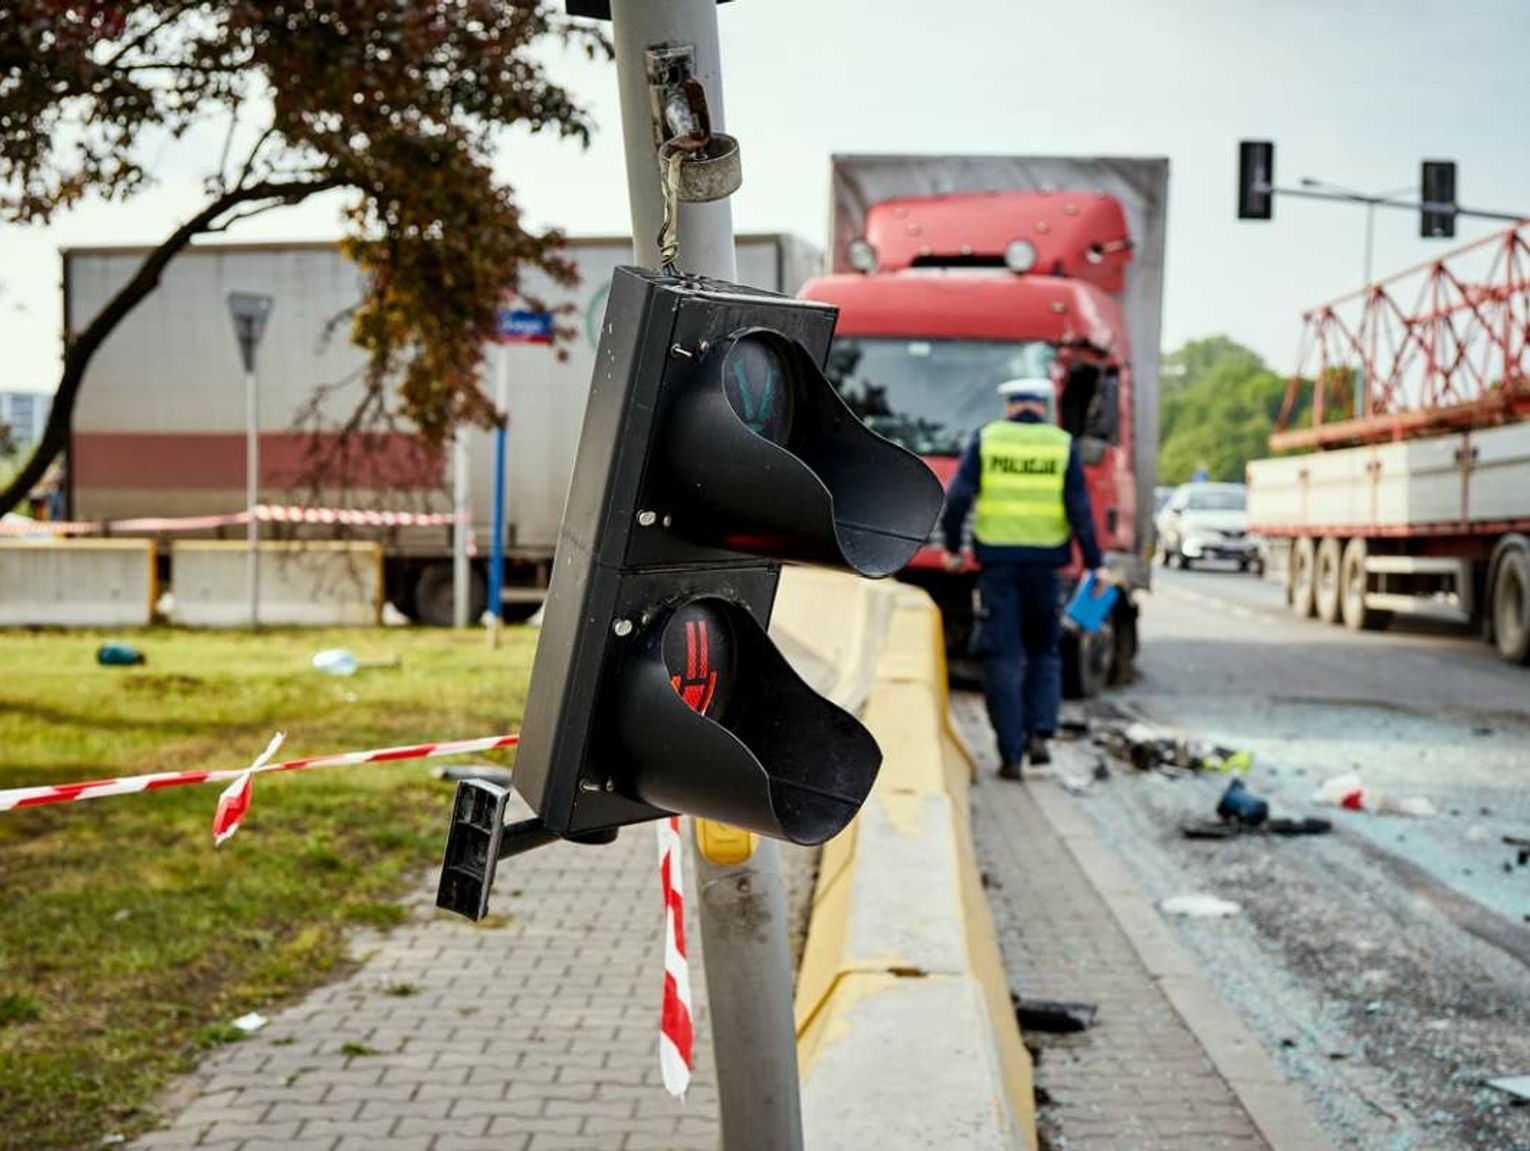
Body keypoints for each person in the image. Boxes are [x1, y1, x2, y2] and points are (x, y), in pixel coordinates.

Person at [940, 376, 1106, 781]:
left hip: (998, 569)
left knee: (1004, 659)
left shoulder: (988, 439)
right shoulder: (1060, 444)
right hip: (1046, 569)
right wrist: (1095, 563)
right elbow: (1079, 509)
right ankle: (1040, 733)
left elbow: (959, 497)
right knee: (1045, 653)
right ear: (1043, 405)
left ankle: (1010, 754)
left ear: (1010, 405)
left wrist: (952, 548)